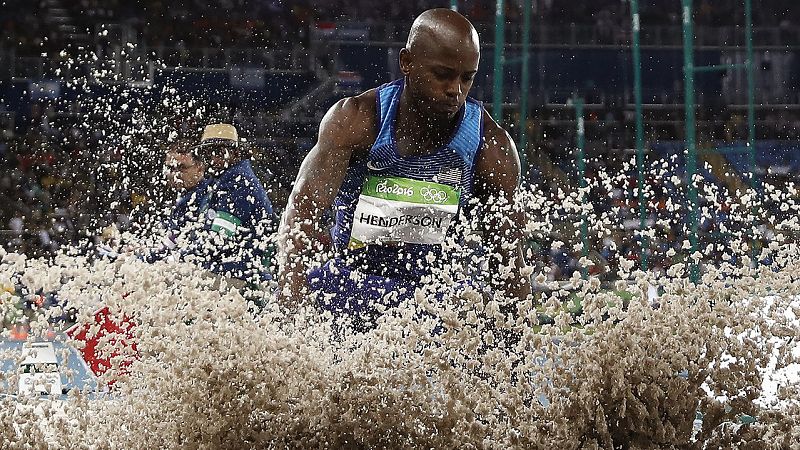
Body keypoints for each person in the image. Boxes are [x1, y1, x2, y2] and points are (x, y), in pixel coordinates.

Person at [277, 9, 530, 329]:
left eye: (467, 77)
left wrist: (514, 341)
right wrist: (291, 319)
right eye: (443, 74)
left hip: (436, 298)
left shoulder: (490, 146)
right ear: (407, 62)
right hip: (350, 286)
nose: (455, 90)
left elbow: (508, 256)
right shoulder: (355, 120)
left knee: (472, 308)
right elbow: (302, 214)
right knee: (311, 287)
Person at [157, 123, 276, 285]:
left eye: (219, 152)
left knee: (162, 280)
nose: (213, 159)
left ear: (235, 152)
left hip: (241, 277)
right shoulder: (221, 181)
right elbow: (182, 235)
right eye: (208, 153)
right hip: (226, 271)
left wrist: (176, 257)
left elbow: (219, 240)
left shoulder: (239, 183)